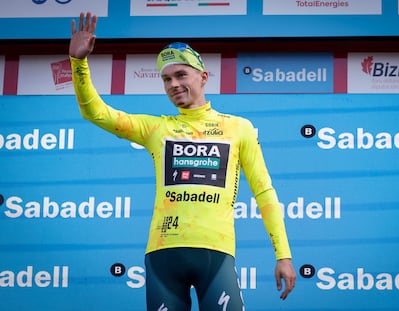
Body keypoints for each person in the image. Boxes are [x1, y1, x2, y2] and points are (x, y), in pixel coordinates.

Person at [69, 12, 296, 311]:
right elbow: (95, 112)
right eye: (166, 79)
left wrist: (283, 255)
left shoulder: (239, 128)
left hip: (216, 254)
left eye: (180, 75)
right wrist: (78, 63)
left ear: (203, 77)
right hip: (164, 254)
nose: (173, 84)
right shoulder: (156, 129)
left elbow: (264, 191)